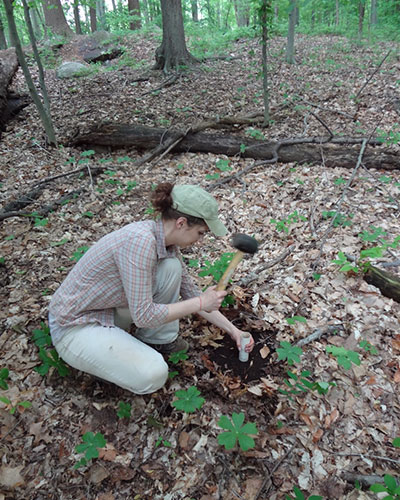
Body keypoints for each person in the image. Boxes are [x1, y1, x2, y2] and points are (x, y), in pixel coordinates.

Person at [48, 183, 254, 395]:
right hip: (75, 325)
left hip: (109, 311)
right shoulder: (140, 243)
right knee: (154, 373)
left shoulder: (165, 243)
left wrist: (234, 331)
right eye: (201, 233)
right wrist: (201, 303)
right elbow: (145, 316)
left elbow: (191, 294)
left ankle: (156, 341)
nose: (200, 241)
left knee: (170, 268)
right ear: (181, 223)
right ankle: (103, 367)